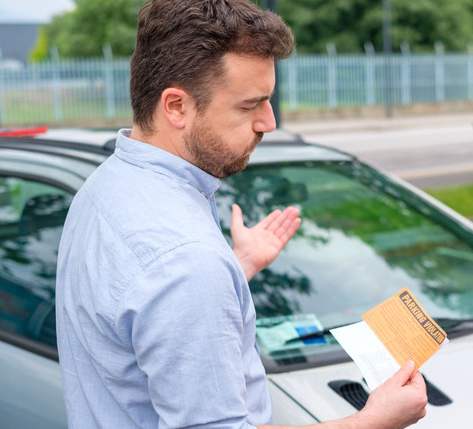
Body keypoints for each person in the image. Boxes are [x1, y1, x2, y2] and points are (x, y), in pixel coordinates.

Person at [55, 1, 428, 428]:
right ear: (175, 106)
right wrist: (375, 419)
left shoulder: (107, 186)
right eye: (251, 105)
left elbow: (138, 311)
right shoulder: (184, 262)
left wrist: (236, 267)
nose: (268, 122)